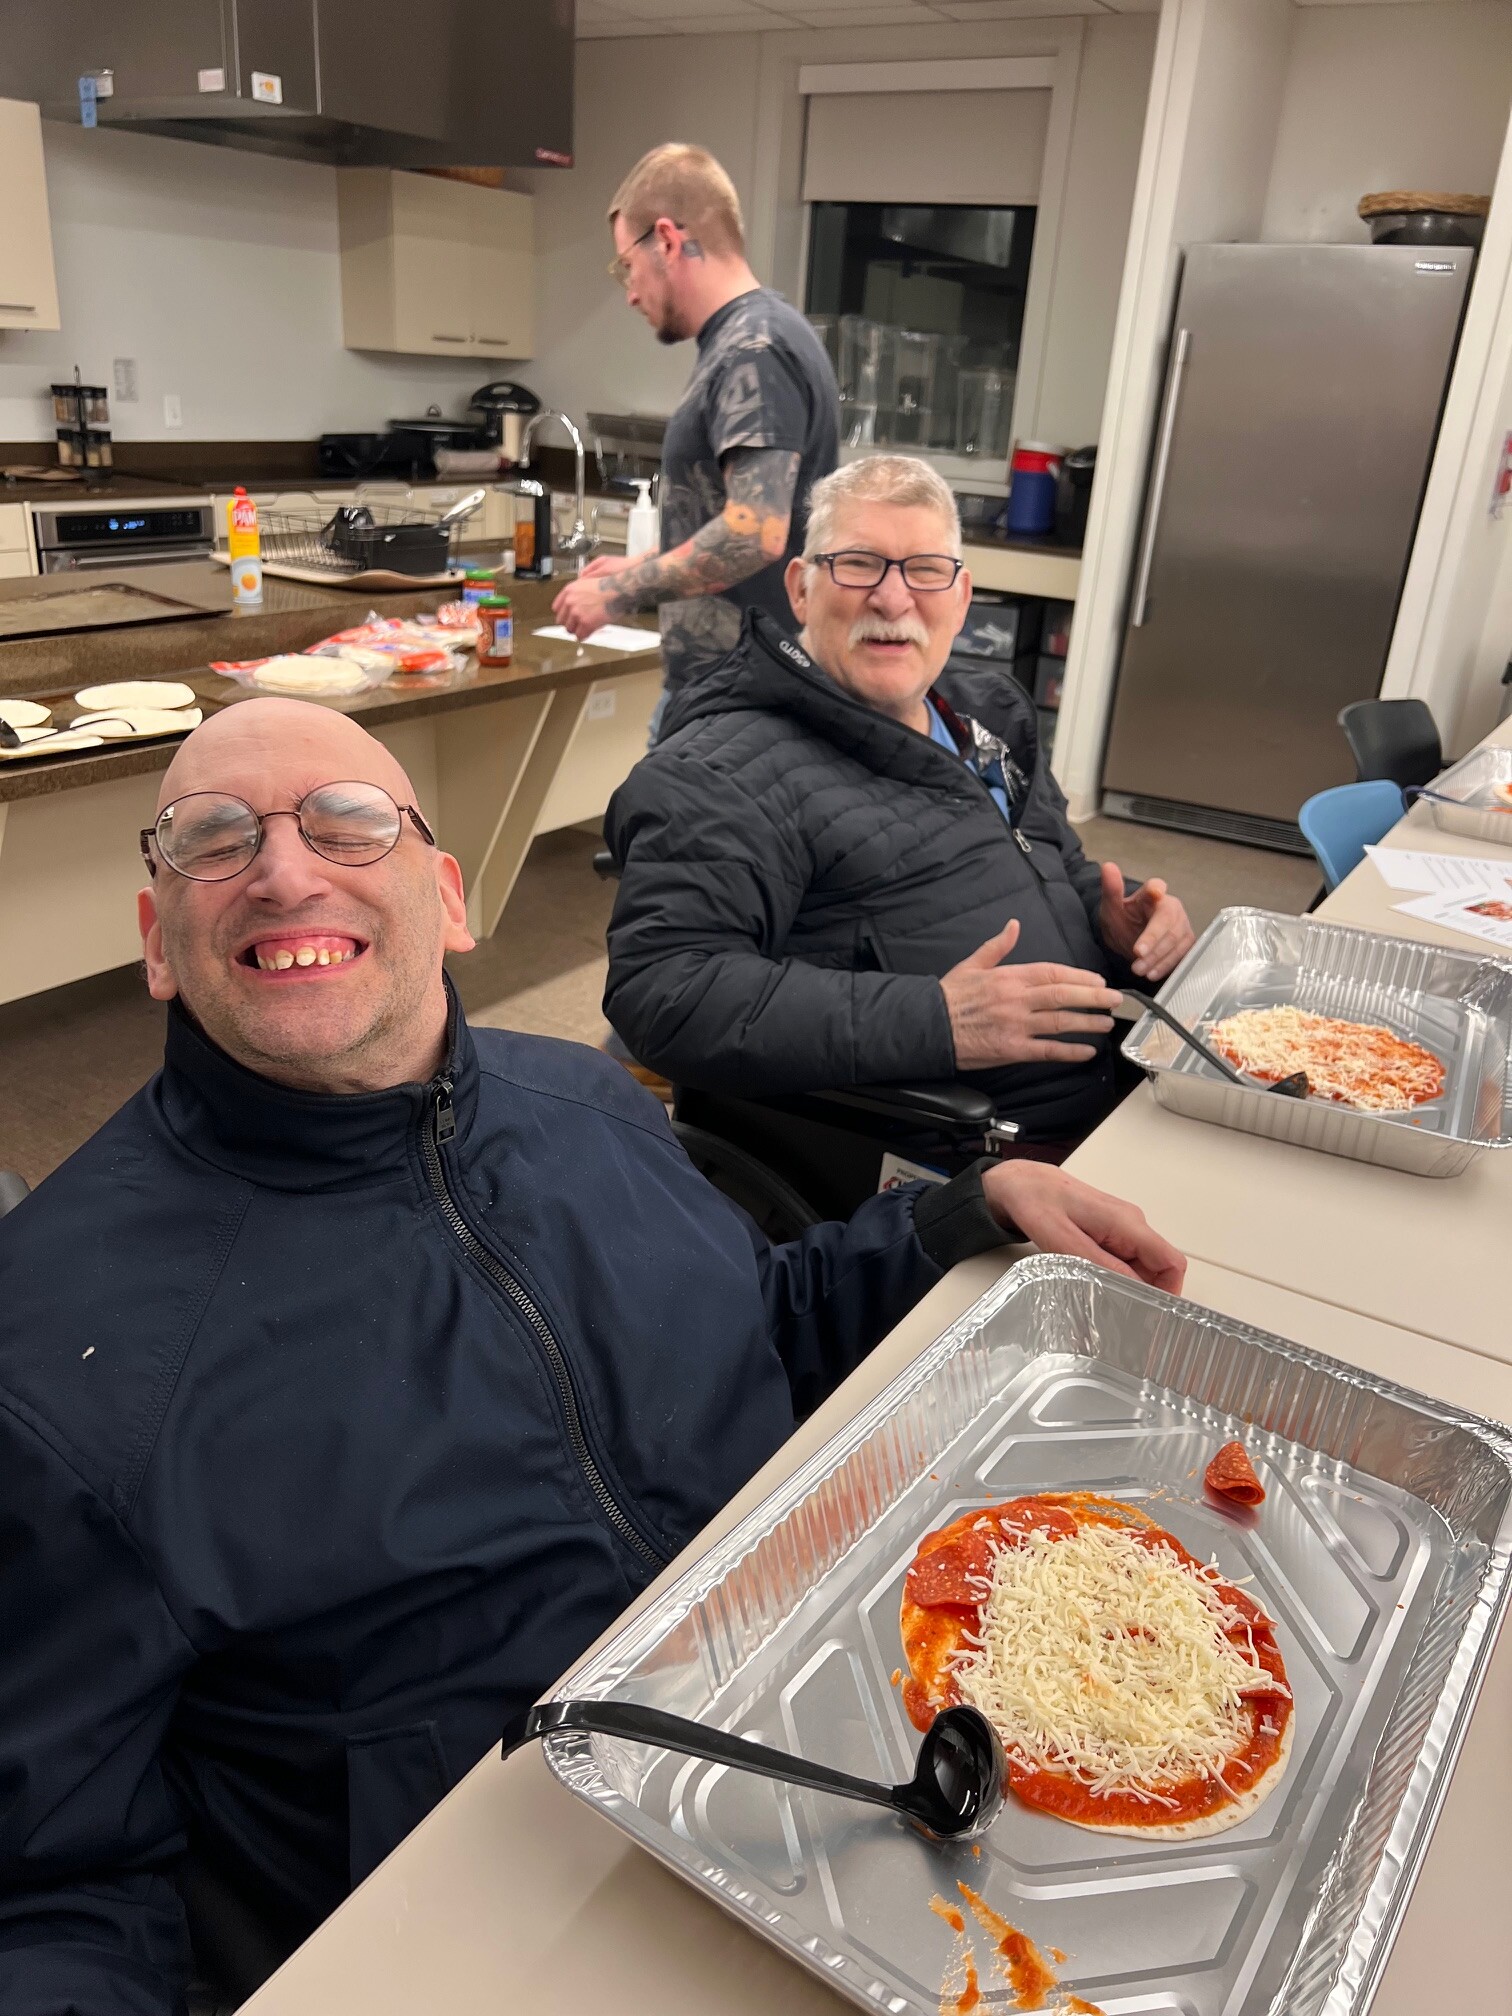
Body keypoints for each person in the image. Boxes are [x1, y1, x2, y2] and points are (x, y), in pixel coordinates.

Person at [0, 698, 1184, 2013]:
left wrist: (955, 1214)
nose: (286, 871)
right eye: (213, 841)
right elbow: (51, 1880)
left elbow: (764, 1327)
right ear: (158, 941)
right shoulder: (55, 1355)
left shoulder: (585, 1104)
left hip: (846, 1733)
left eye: (348, 823)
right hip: (537, 1928)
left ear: (447, 899)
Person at [604, 455, 1197, 1149]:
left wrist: (1117, 926)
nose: (893, 600)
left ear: (962, 596)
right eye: (858, 564)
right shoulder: (721, 772)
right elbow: (666, 995)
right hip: (975, 1163)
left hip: (1120, 1098)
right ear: (800, 588)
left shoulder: (986, 715)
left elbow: (1049, 862)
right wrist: (938, 1020)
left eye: (924, 569)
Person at [551, 143, 838, 737]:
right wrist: (649, 560)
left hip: (741, 705)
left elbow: (755, 532)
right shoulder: (751, 339)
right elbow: (744, 523)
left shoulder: (753, 350)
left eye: (626, 266)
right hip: (732, 695)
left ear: (667, 240)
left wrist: (620, 593)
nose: (629, 293)